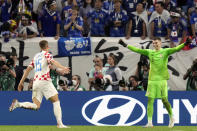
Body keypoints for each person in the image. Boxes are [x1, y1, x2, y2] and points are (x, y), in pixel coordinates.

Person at [118, 37, 191, 128]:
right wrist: (125, 45)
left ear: (160, 43)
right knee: (150, 100)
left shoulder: (165, 51)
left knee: (164, 100)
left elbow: (176, 49)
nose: (155, 44)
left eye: (156, 43)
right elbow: (137, 50)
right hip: (152, 80)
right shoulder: (150, 52)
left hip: (162, 80)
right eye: (153, 43)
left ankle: (172, 117)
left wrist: (185, 44)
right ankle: (149, 122)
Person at [9, 40, 70, 128]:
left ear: (40, 47)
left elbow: (27, 70)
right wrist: (63, 67)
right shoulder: (47, 54)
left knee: (36, 106)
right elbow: (53, 62)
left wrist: (20, 82)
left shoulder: (36, 56)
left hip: (36, 82)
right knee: (56, 101)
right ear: (47, 46)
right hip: (45, 81)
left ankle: (19, 104)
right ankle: (59, 124)